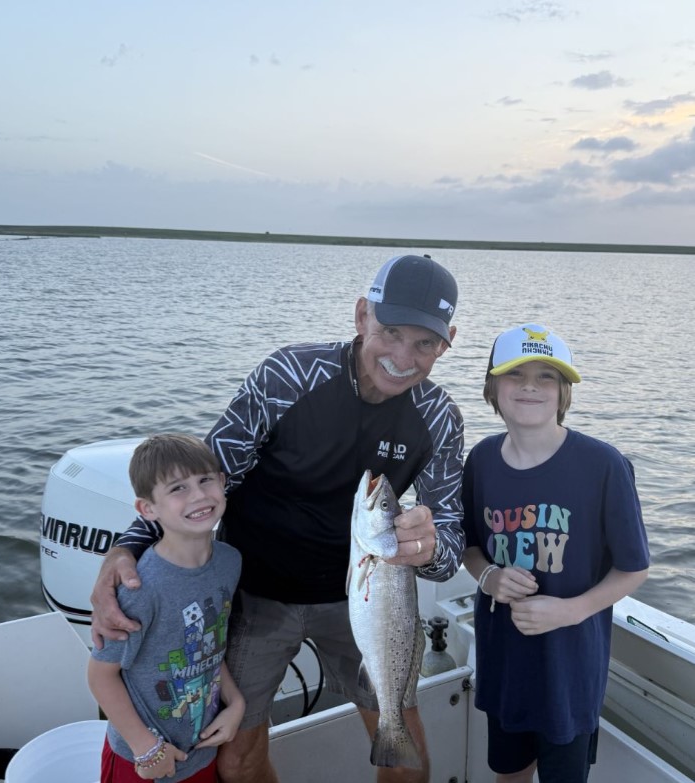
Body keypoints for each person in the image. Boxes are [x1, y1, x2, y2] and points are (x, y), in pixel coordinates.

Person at [91, 254, 466, 783]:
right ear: (362, 316)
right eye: (391, 331)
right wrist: (127, 548)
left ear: (448, 340)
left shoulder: (440, 418)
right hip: (256, 594)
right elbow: (209, 473)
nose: (403, 357)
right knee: (238, 759)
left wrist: (429, 549)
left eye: (425, 343)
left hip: (362, 598)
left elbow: (450, 540)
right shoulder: (290, 375)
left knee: (404, 747)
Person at [461, 323, 649, 783]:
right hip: (503, 665)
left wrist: (570, 611)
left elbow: (634, 568)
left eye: (547, 377)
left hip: (569, 673)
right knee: (509, 774)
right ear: (492, 386)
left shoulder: (603, 465)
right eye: (515, 374)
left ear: (564, 392)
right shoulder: (481, 460)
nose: (529, 386)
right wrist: (489, 578)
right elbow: (468, 548)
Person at [87, 433, 244, 782]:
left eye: (205, 480)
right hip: (141, 761)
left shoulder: (230, 562)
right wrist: (146, 748)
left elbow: (210, 645)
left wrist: (236, 704)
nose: (199, 495)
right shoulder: (142, 588)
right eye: (178, 488)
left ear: (222, 482)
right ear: (148, 509)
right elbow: (101, 675)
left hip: (201, 751)